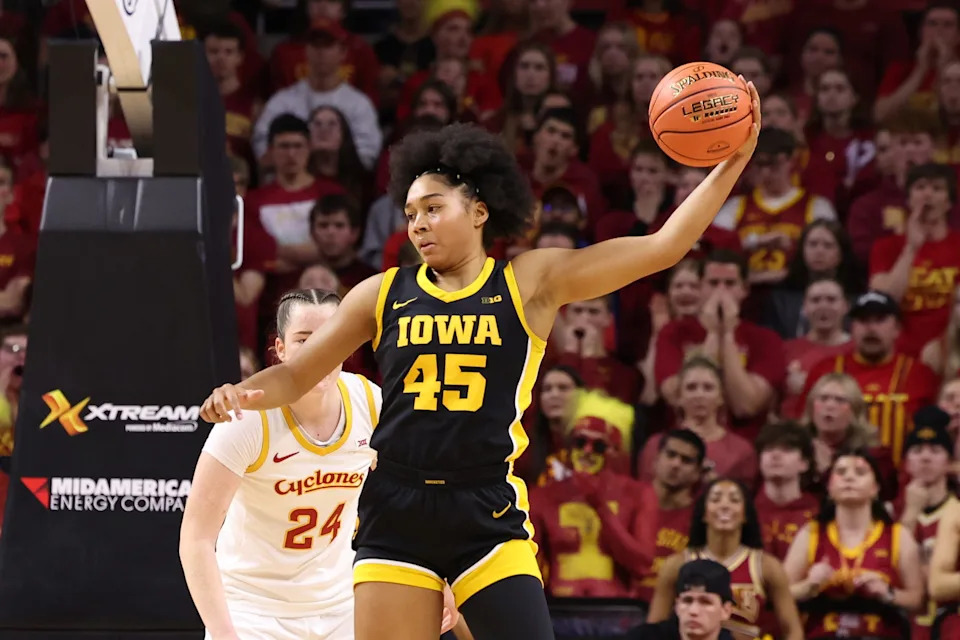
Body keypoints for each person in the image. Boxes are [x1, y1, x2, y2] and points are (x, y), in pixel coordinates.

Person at [199, 85, 761, 640]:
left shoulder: (530, 282)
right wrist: (240, 393)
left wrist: (733, 159)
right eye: (411, 212)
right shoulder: (381, 293)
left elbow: (663, 246)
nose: (417, 223)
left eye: (433, 208)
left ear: (479, 212)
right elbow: (296, 373)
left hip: (486, 505)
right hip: (397, 507)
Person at [181, 290, 461, 640]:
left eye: (330, 338)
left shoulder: (369, 403)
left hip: (341, 606)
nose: (319, 351)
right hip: (254, 610)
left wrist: (437, 577)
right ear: (280, 350)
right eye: (303, 340)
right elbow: (195, 537)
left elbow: (409, 501)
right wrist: (224, 634)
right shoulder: (249, 420)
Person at [783, 448, 924, 639]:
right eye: (841, 472)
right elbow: (780, 594)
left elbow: (917, 599)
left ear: (875, 487)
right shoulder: (811, 534)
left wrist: (888, 593)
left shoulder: (898, 536)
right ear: (829, 488)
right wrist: (808, 585)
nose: (849, 477)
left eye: (860, 472)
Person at [647, 479, 804, 640]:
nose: (724, 505)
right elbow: (653, 629)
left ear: (745, 514)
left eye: (734, 500)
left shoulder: (767, 567)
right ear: (704, 513)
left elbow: (793, 631)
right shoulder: (676, 565)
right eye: (715, 499)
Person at [627, 559, 736, 640]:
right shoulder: (642, 637)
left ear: (725, 610)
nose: (693, 611)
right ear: (677, 606)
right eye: (687, 601)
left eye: (705, 602)